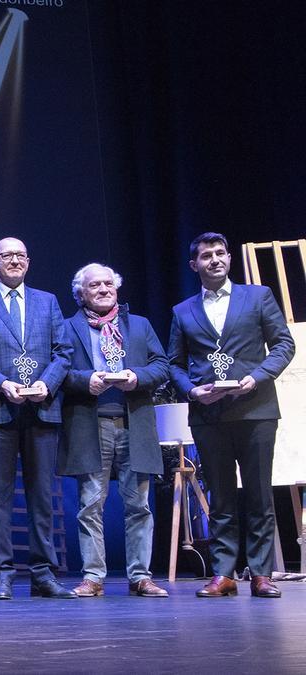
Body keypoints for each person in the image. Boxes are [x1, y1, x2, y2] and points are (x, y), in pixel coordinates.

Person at [168, 232, 295, 599]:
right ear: (195, 264)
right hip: (209, 414)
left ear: (228, 259)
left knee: (258, 493)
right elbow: (173, 364)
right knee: (220, 497)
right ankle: (223, 573)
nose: (215, 260)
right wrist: (193, 391)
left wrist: (256, 378)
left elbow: (284, 344)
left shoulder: (257, 297)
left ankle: (260, 573)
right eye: (206, 255)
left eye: (221, 253)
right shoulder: (183, 310)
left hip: (256, 411)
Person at [0, 237, 75, 599]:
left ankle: (43, 572)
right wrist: (3, 384)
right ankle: (3, 573)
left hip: (41, 408)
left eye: (21, 255)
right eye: (7, 256)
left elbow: (63, 352)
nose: (15, 260)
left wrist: (46, 383)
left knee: (43, 495)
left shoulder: (48, 301)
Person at [59, 264, 170, 598]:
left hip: (133, 421)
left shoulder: (139, 325)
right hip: (90, 423)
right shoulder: (67, 328)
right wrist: (84, 380)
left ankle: (141, 576)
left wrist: (136, 376)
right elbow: (59, 372)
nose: (104, 289)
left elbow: (162, 365)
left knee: (139, 505)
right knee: (90, 504)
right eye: (95, 285)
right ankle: (93, 577)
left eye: (109, 283)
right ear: (81, 293)